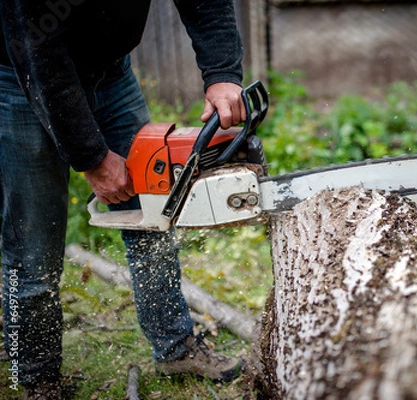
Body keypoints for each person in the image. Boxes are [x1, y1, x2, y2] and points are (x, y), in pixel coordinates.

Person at [0, 1, 247, 398]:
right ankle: (36, 377)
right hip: (23, 76)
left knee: (152, 214)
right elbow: (41, 52)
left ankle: (174, 347)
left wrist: (222, 74)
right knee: (31, 246)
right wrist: (92, 158)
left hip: (112, 73)